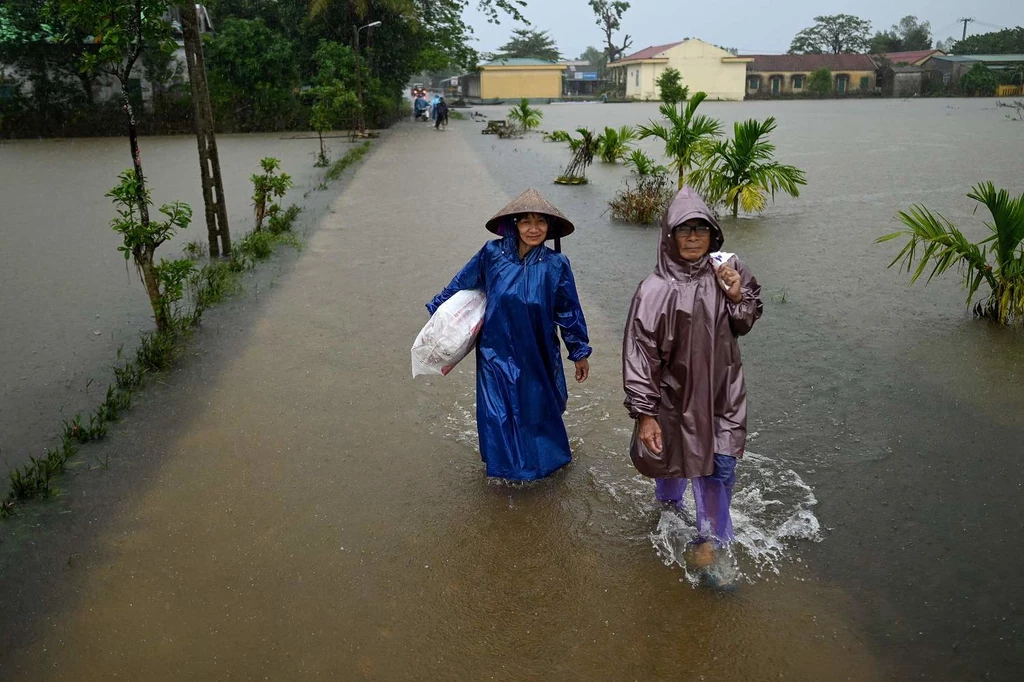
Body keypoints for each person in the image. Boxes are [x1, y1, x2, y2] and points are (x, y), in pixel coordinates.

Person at [622, 186, 762, 568]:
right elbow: (639, 354)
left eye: (701, 229)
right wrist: (645, 413)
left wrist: (736, 296)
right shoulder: (652, 291)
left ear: (713, 234)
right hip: (672, 400)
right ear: (670, 236)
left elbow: (746, 321)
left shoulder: (728, 272)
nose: (694, 237)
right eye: (685, 230)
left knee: (720, 465)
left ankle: (712, 542)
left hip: (722, 394)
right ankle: (668, 509)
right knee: (670, 461)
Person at [427, 189, 592, 481]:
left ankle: (545, 467)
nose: (533, 229)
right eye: (526, 221)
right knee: (497, 413)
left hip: (538, 350)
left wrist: (579, 352)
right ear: (514, 224)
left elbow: (568, 311)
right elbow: (461, 284)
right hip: (494, 350)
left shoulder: (557, 265)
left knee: (537, 410)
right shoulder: (491, 254)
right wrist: (436, 315)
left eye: (540, 222)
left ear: (548, 227)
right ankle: (503, 473)